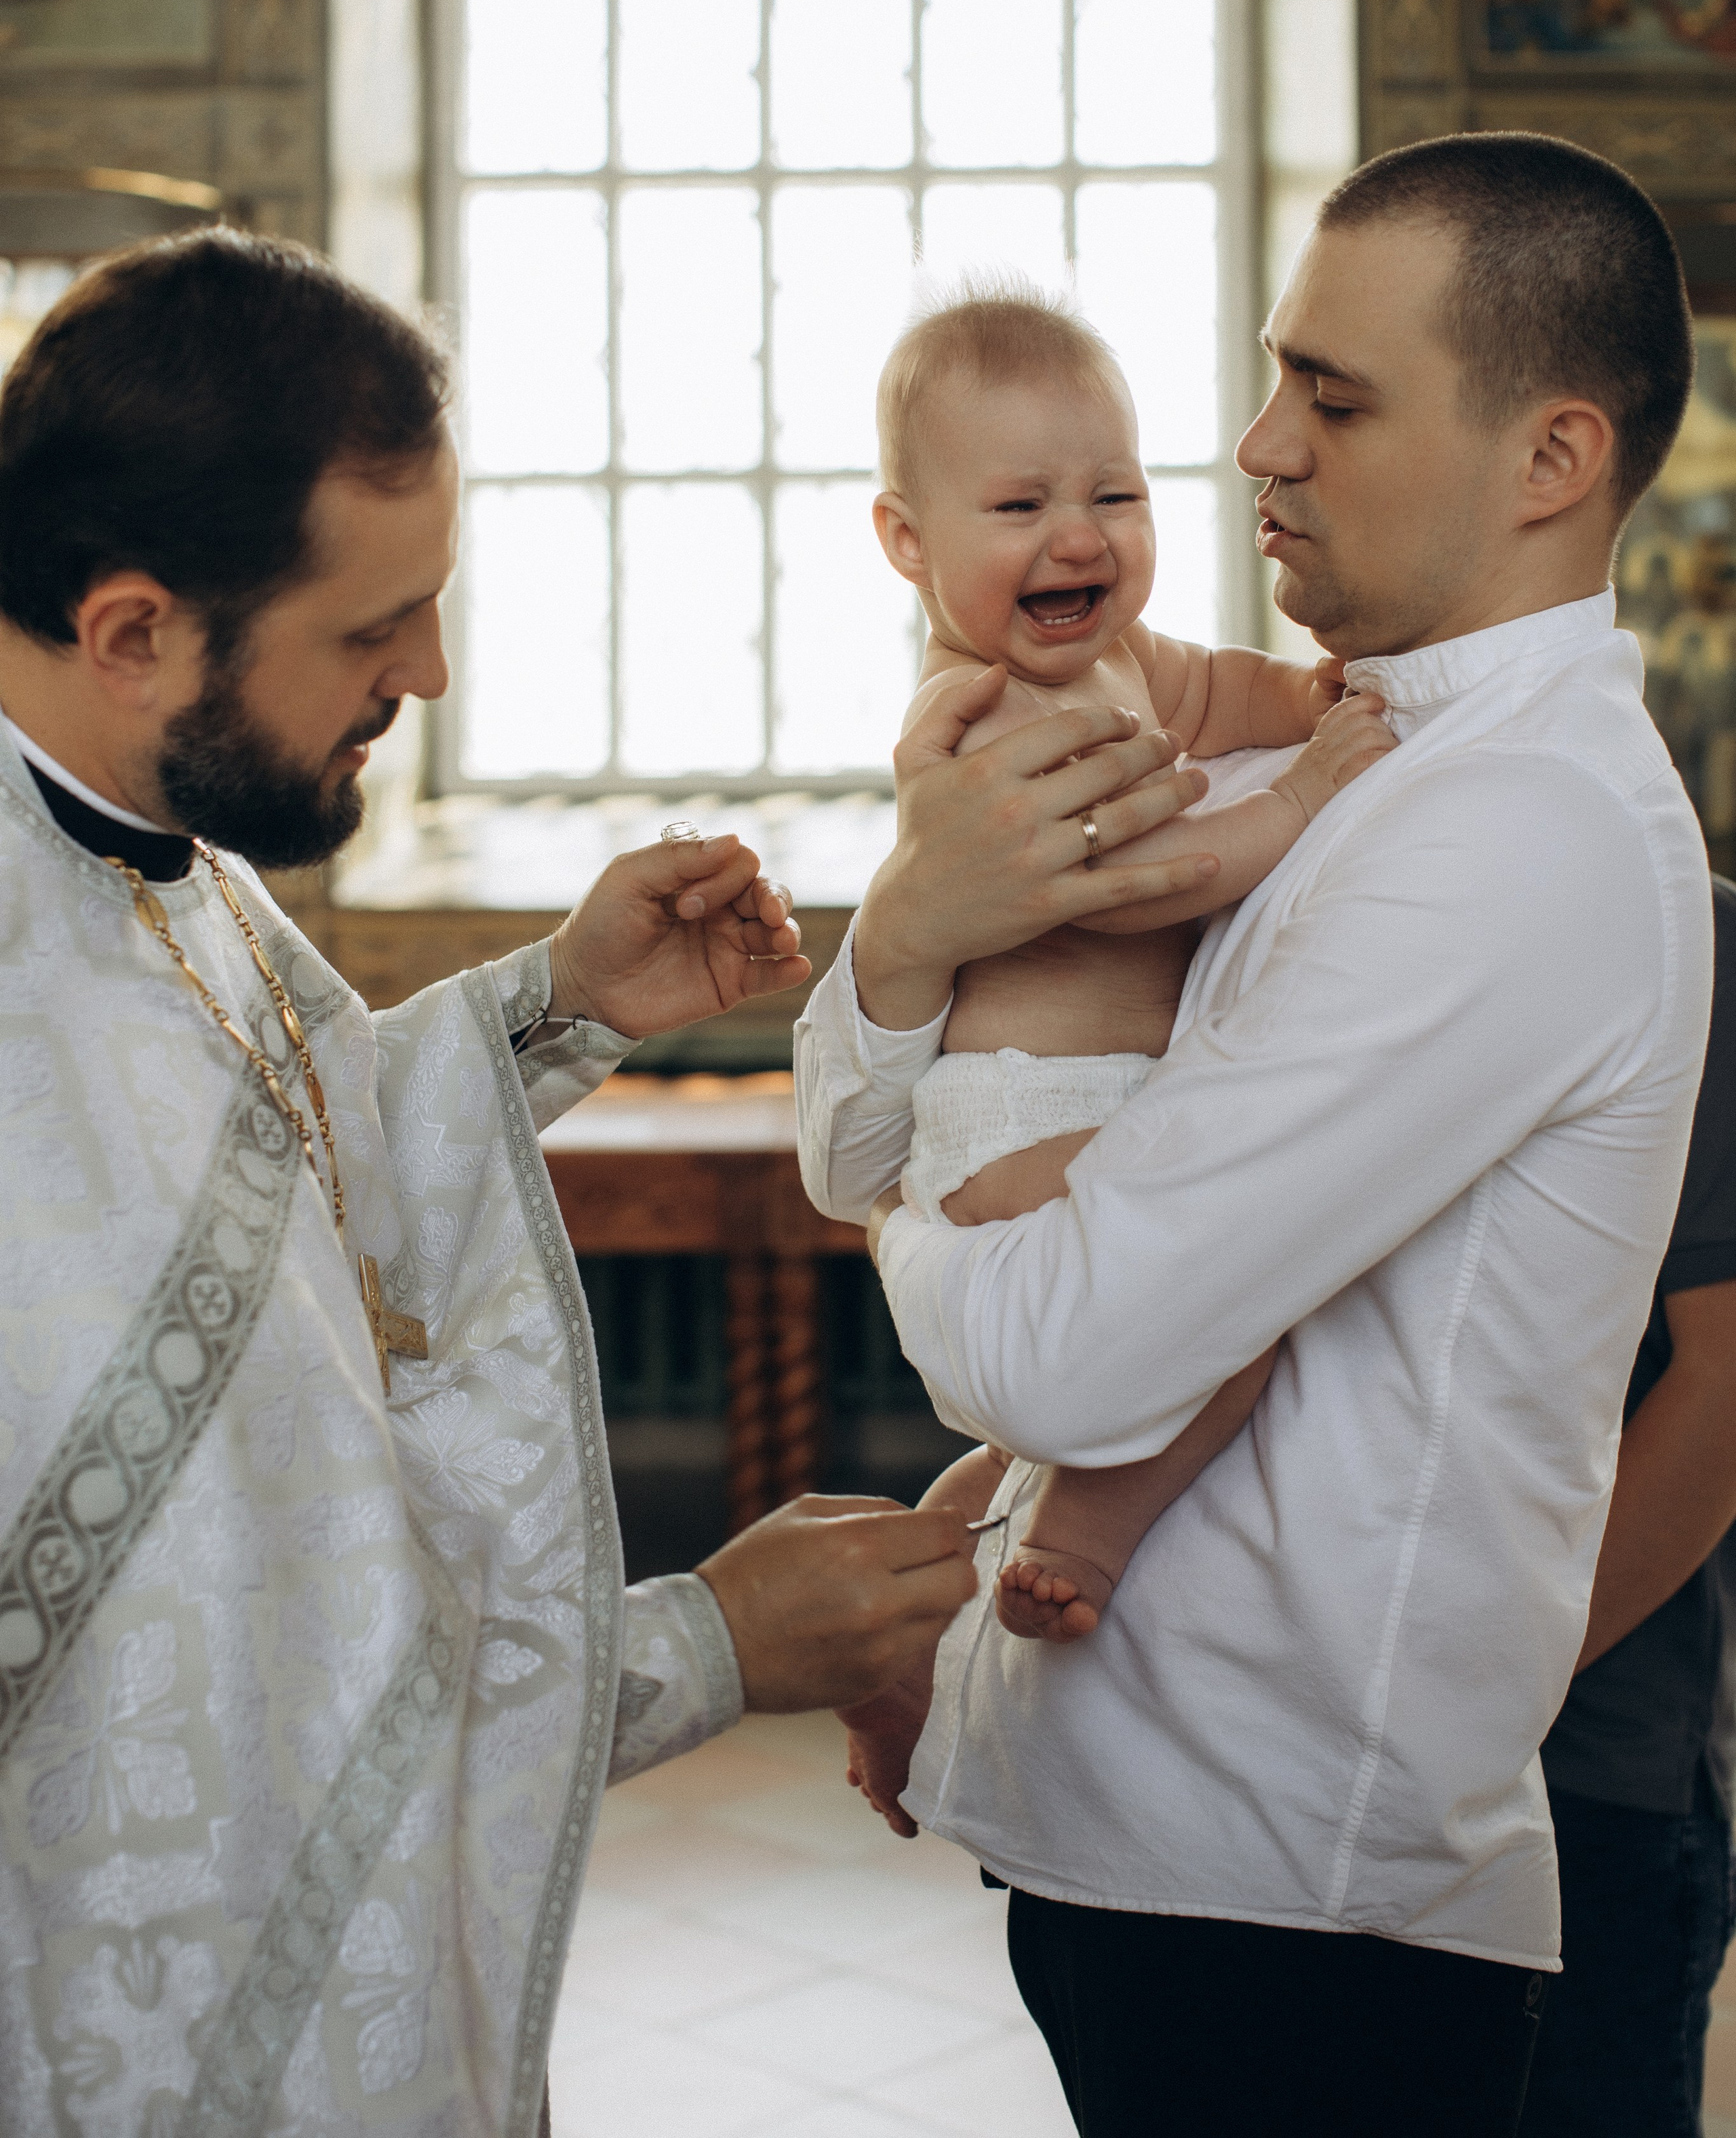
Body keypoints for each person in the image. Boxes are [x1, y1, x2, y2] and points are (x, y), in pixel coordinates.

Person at [0, 230, 982, 2130]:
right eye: (374, 631)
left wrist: (563, 1004)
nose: (430, 672)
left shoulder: (171, 869)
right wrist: (707, 1648)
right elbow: (209, 1691)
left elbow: (274, 1183)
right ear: (133, 632)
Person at [797, 132, 1714, 2135]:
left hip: (1289, 1889)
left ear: (1550, 461)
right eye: (1278, 375)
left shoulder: (1516, 823)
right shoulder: (1368, 747)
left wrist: (934, 1208)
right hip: (1159, 1840)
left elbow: (1061, 1347)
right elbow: (853, 1132)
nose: (1252, 445)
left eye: (1336, 395)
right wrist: (902, 964)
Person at [866, 280, 1393, 1641]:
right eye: (1019, 506)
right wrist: (1303, 790)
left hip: (1100, 1105)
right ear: (905, 543)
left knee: (1143, 1350)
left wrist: (1301, 697)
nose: (1076, 538)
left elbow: (1215, 687)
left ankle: (943, 1538)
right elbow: (1121, 883)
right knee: (1239, 1309)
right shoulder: (975, 710)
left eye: (1113, 496)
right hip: (1022, 1115)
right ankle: (1084, 1546)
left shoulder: (1111, 662)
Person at [1520, 872, 1736, 2138]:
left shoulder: (1676, 921)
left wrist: (1463, 1702)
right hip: (1291, 1769)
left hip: (1582, 1764)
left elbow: (1724, 1388)